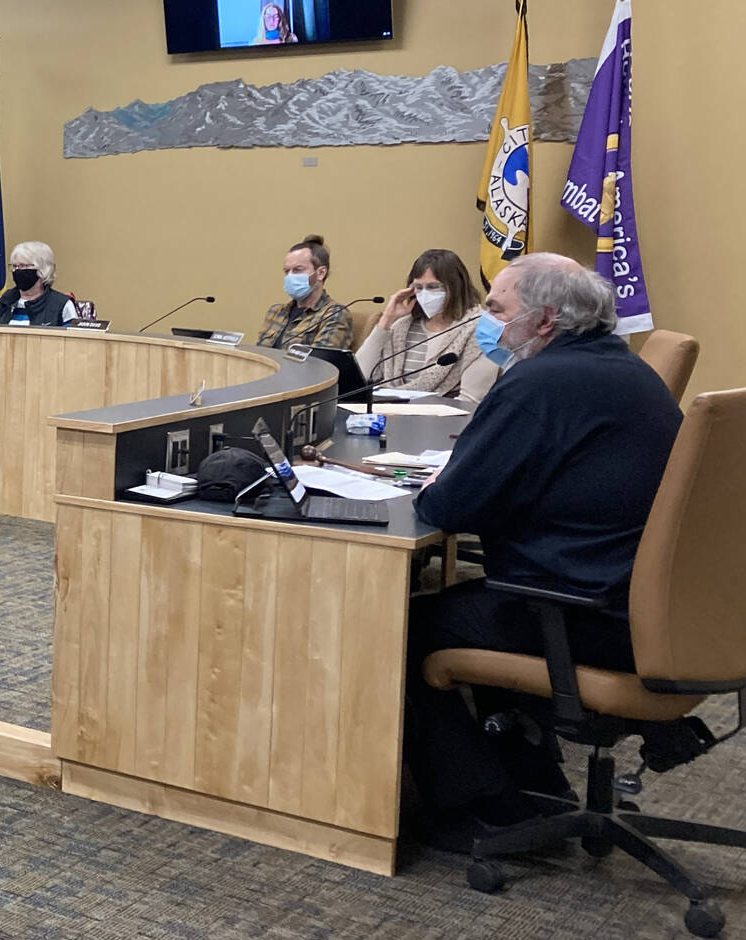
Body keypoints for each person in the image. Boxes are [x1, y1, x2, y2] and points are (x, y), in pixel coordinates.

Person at [402, 254, 681, 852]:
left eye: (498, 309)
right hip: (651, 611)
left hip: (584, 610)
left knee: (407, 624)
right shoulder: (628, 371)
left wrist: (441, 486)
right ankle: (536, 780)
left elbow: (448, 509)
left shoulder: (537, 384)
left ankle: (482, 806)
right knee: (471, 602)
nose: (487, 321)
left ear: (545, 320)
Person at [354, 247, 498, 404]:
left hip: (443, 421)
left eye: (433, 287)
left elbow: (470, 401)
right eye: (418, 287)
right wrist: (386, 320)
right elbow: (359, 377)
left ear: (455, 287)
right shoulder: (402, 326)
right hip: (390, 411)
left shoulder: (481, 329)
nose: (425, 294)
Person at [259, 234, 351, 349]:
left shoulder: (334, 314)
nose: (290, 276)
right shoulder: (276, 312)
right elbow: (260, 354)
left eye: (298, 270)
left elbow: (319, 361)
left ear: (321, 273)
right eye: (287, 271)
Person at [0, 241, 78, 327]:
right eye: (14, 266)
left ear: (42, 269)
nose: (17, 271)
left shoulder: (61, 305)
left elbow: (73, 342)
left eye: (23, 266)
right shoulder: (3, 302)